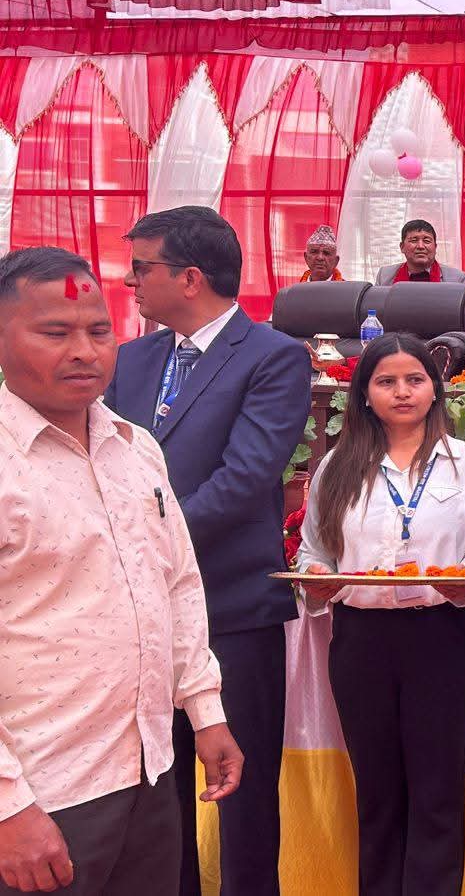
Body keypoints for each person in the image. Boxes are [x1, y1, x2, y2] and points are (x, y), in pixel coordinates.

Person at [0, 247, 243, 896]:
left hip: (147, 774)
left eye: (99, 331)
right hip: (39, 792)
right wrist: (7, 806)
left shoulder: (135, 450)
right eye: (55, 332)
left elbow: (177, 584)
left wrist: (205, 711)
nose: (84, 351)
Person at [102, 205, 310, 896]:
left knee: (241, 793)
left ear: (190, 277)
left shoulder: (272, 356)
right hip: (139, 616)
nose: (130, 281)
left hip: (231, 609)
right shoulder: (131, 359)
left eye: (142, 268)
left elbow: (245, 477)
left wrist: (145, 541)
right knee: (155, 796)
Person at [295, 332, 465, 896]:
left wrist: (463, 581)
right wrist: (316, 580)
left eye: (415, 379)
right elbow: (314, 552)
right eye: (386, 382)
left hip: (439, 635)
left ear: (435, 388)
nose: (402, 392)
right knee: (377, 790)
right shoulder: (338, 465)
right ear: (364, 394)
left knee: (437, 791)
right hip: (360, 639)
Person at [375, 219, 465, 285]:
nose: (420, 246)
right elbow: (376, 307)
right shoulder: (384, 276)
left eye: (427, 241)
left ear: (435, 247)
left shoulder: (458, 280)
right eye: (414, 240)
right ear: (402, 247)